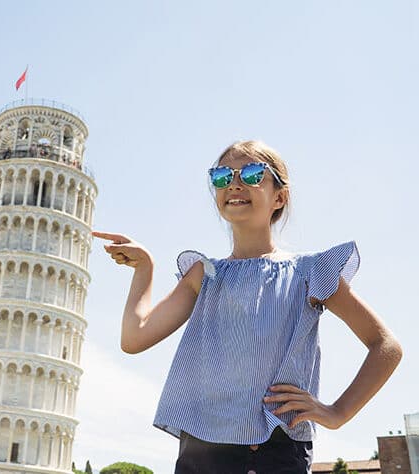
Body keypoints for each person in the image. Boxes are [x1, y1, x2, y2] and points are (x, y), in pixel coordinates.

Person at [92, 140, 403, 474]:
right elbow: (135, 338)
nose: (235, 184)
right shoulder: (205, 274)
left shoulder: (311, 272)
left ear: (279, 197)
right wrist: (145, 269)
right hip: (199, 452)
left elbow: (386, 346)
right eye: (223, 176)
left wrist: (337, 413)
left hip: (273, 450)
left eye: (253, 174)